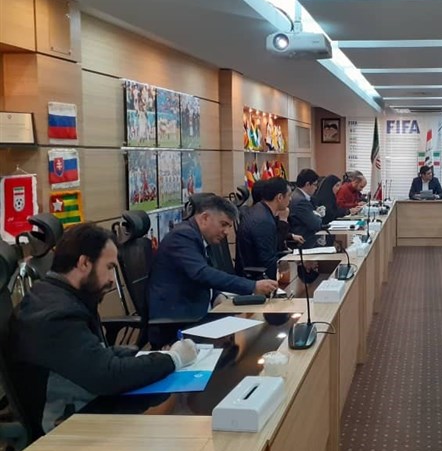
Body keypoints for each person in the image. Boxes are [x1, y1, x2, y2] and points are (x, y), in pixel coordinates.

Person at [13, 223, 199, 432]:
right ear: (84, 263)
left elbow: (92, 354)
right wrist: (174, 359)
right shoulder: (57, 315)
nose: (112, 279)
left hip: (85, 403)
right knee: (178, 423)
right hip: (66, 427)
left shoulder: (58, 295)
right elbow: (107, 376)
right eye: (109, 267)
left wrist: (150, 357)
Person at [149, 195, 278, 345]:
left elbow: (206, 273)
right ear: (205, 218)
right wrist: (252, 286)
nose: (227, 232)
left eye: (229, 226)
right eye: (223, 224)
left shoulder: (198, 237)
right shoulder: (183, 236)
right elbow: (202, 273)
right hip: (181, 319)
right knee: (251, 341)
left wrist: (217, 295)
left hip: (200, 309)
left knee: (253, 333)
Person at [236, 177, 293, 279]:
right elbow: (268, 261)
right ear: (280, 197)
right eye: (289, 195)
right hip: (256, 279)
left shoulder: (260, 210)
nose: (291, 199)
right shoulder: (263, 221)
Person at [289, 168, 324, 246]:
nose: (316, 188)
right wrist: (318, 215)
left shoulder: (297, 195)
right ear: (307, 184)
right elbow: (316, 223)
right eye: (315, 185)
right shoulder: (301, 201)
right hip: (304, 242)